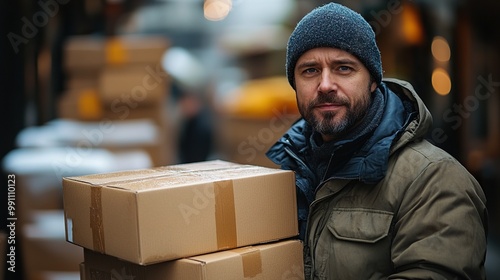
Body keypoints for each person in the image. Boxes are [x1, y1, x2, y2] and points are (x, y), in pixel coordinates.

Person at [266, 2, 488, 279]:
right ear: (295, 84)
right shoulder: (289, 175)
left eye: (343, 68)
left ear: (373, 81)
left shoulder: (435, 179)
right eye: (309, 71)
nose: (324, 85)